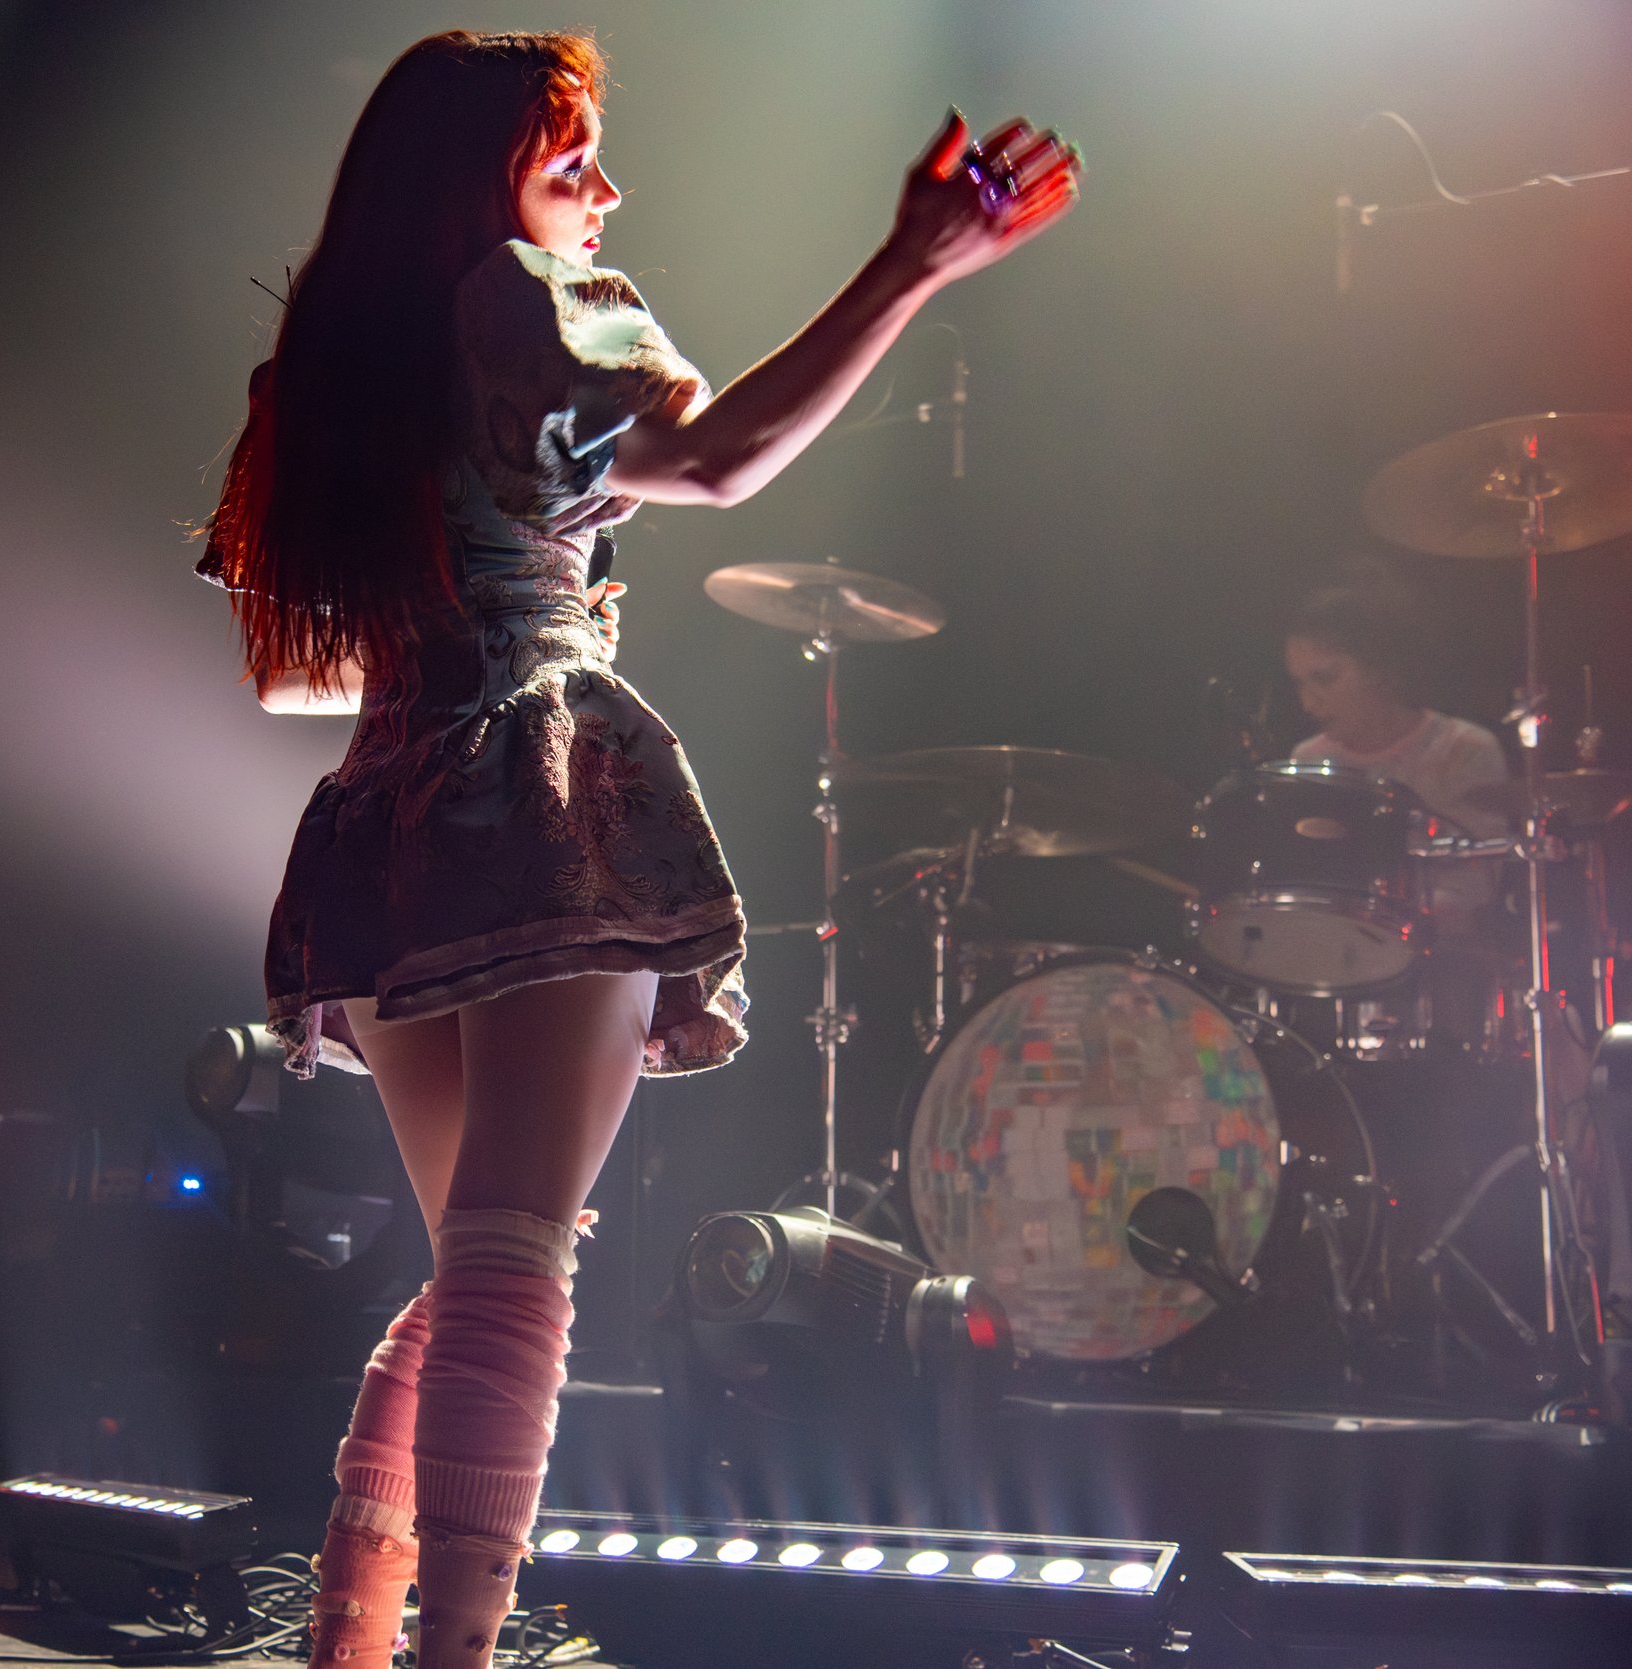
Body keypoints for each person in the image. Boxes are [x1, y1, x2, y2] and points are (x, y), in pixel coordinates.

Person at [199, 31, 1076, 1669]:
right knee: (514, 1263)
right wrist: (910, 266)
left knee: (473, 1266)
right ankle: (440, 1646)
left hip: (388, 826)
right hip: (531, 789)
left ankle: (353, 1641)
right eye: (568, 157)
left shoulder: (326, 367)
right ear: (487, 183)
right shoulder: (519, 298)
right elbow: (723, 457)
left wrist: (450, 587)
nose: (603, 192)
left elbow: (284, 665)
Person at [1284, 575, 1510, 837]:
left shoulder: (1462, 749)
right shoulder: (1308, 760)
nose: (1307, 702)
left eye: (1325, 679)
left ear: (1377, 667)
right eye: (1299, 683)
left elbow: (1479, 874)